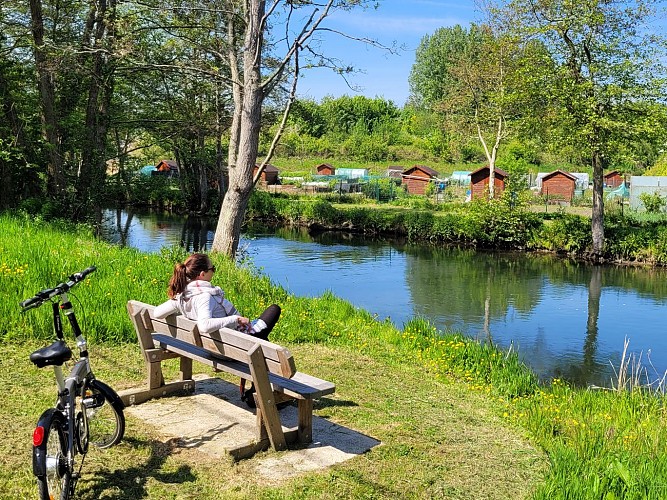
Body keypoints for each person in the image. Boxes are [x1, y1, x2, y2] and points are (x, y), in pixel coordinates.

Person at [154, 253, 280, 407]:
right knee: (274, 310)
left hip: (214, 347)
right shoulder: (204, 297)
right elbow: (204, 325)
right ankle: (259, 395)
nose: (213, 271)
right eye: (212, 268)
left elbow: (156, 313)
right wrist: (236, 319)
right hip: (232, 350)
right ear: (202, 274)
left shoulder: (183, 295)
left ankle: (255, 391)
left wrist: (180, 307)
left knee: (262, 342)